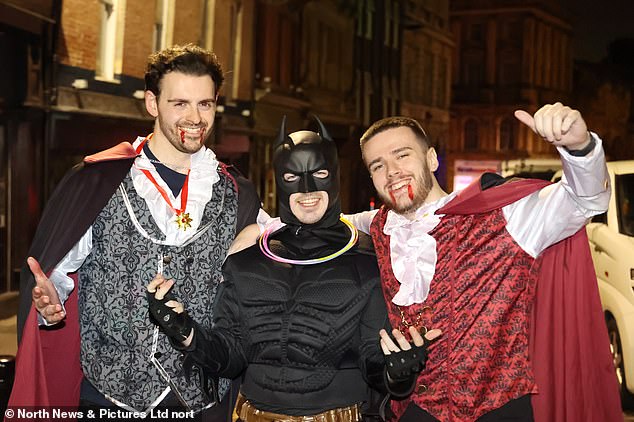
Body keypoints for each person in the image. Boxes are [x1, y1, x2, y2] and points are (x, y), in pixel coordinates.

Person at [254, 103, 622, 421]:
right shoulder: (375, 227)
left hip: (500, 409)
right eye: (378, 165)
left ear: (431, 158)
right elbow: (299, 223)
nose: (392, 171)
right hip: (415, 410)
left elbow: (585, 199)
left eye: (402, 155)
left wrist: (579, 145)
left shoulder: (505, 214)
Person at [8, 44, 260, 418]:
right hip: (107, 398)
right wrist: (50, 307)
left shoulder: (239, 195)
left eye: (205, 104)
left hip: (201, 402)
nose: (194, 117)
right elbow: (56, 279)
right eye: (179, 103)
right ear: (152, 104)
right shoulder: (98, 182)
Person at [146, 117, 438, 421]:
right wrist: (184, 331)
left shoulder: (367, 261)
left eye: (320, 173)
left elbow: (373, 364)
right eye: (293, 176)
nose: (307, 189)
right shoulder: (247, 261)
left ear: (335, 176)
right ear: (278, 180)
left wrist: (398, 372)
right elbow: (230, 357)